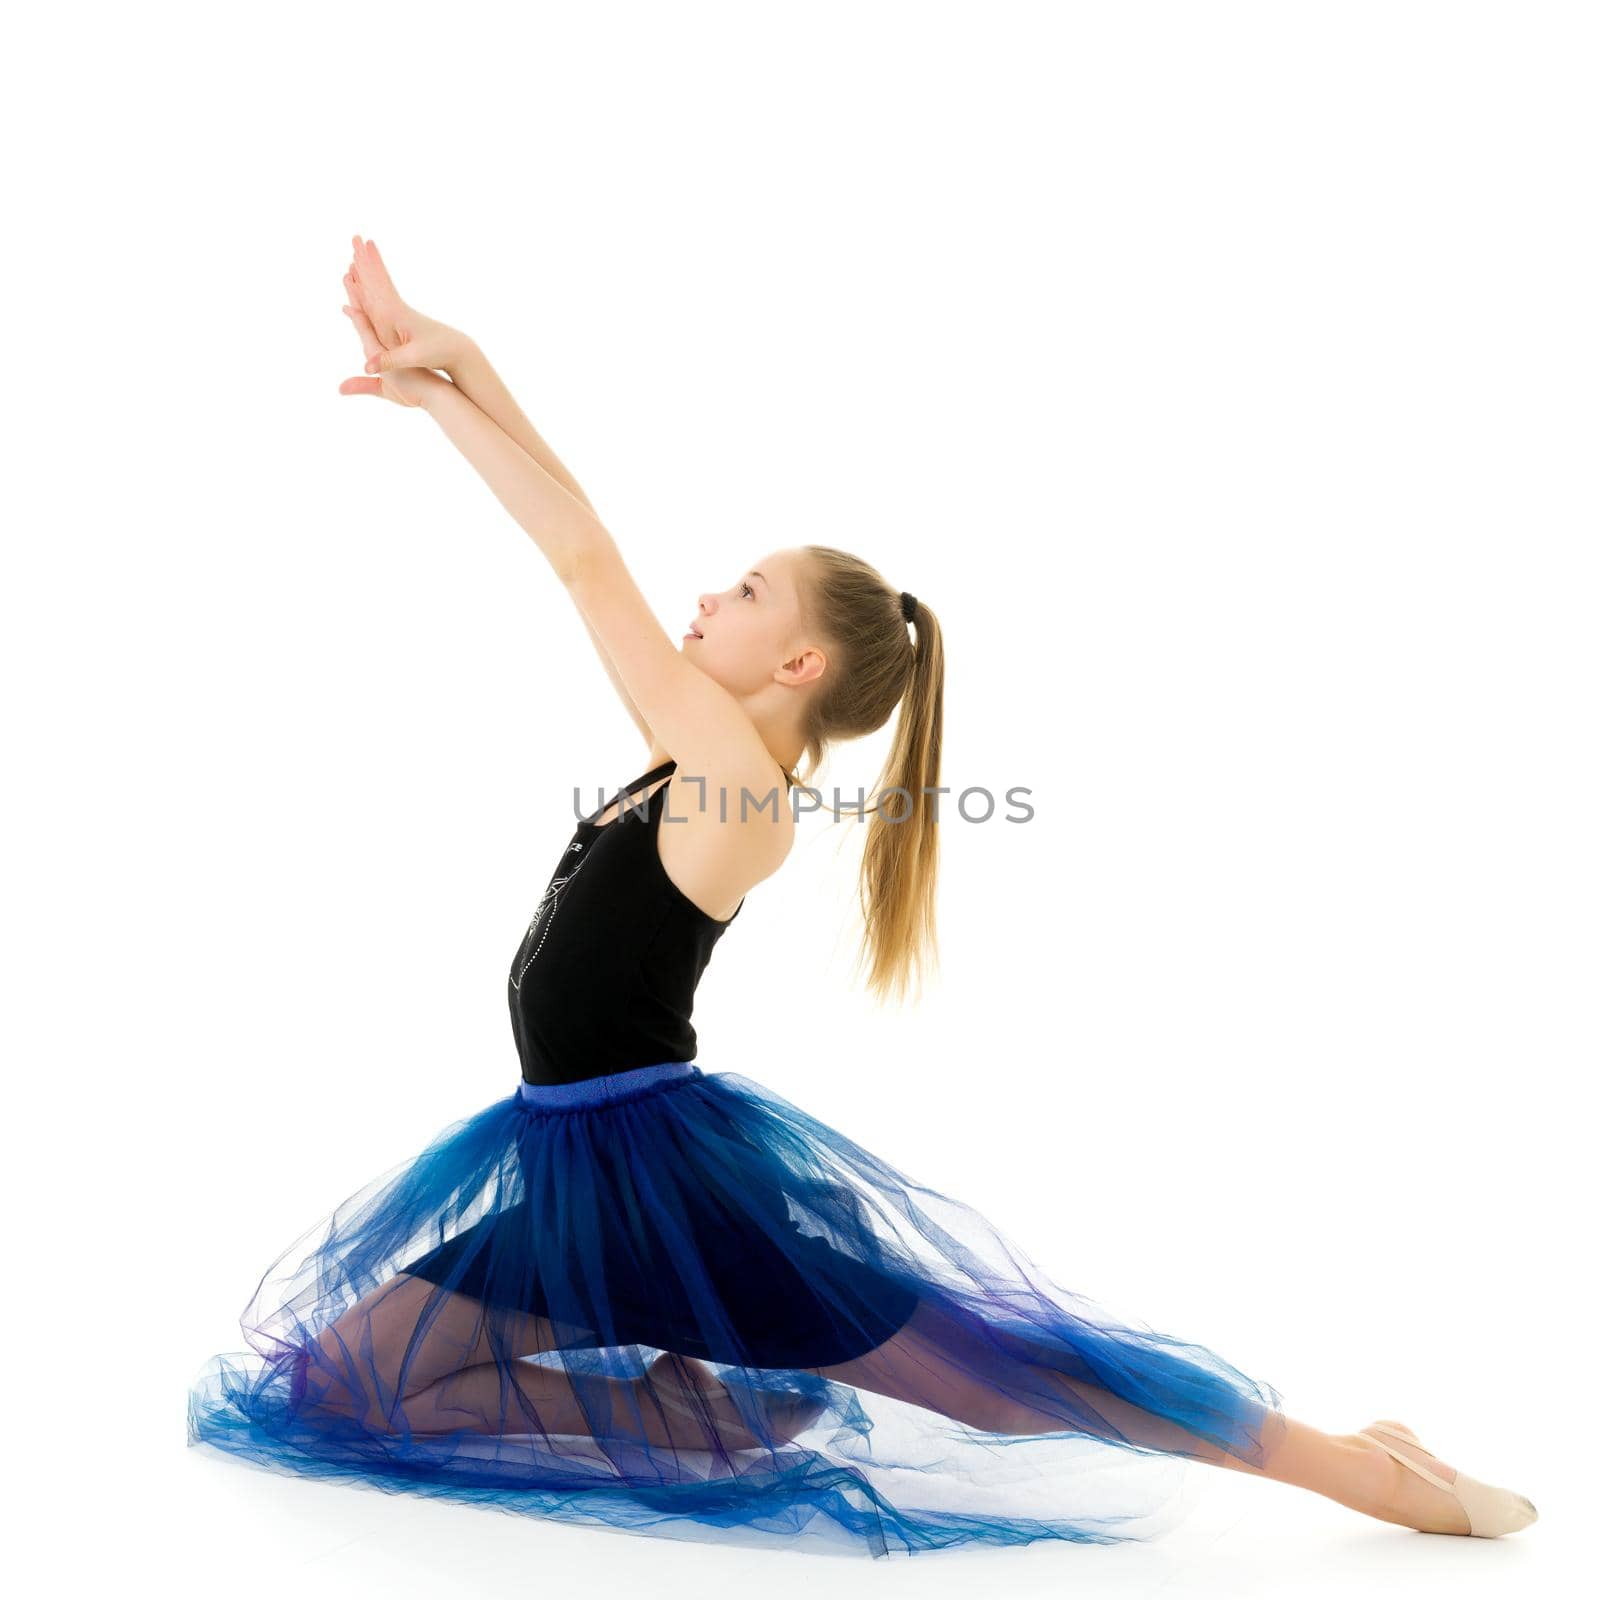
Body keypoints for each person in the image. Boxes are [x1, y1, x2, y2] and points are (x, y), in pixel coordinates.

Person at [185, 236, 1538, 1559]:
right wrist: (457, 372)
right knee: (340, 1382)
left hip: (662, 1189)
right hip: (577, 1177)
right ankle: (684, 1424)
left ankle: (1366, 1469)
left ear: (803, 665)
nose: (705, 595)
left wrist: (451, 389)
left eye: (747, 591)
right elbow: (590, 539)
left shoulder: (736, 793)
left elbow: (584, 559)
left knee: (999, 1383)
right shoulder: (686, 760)